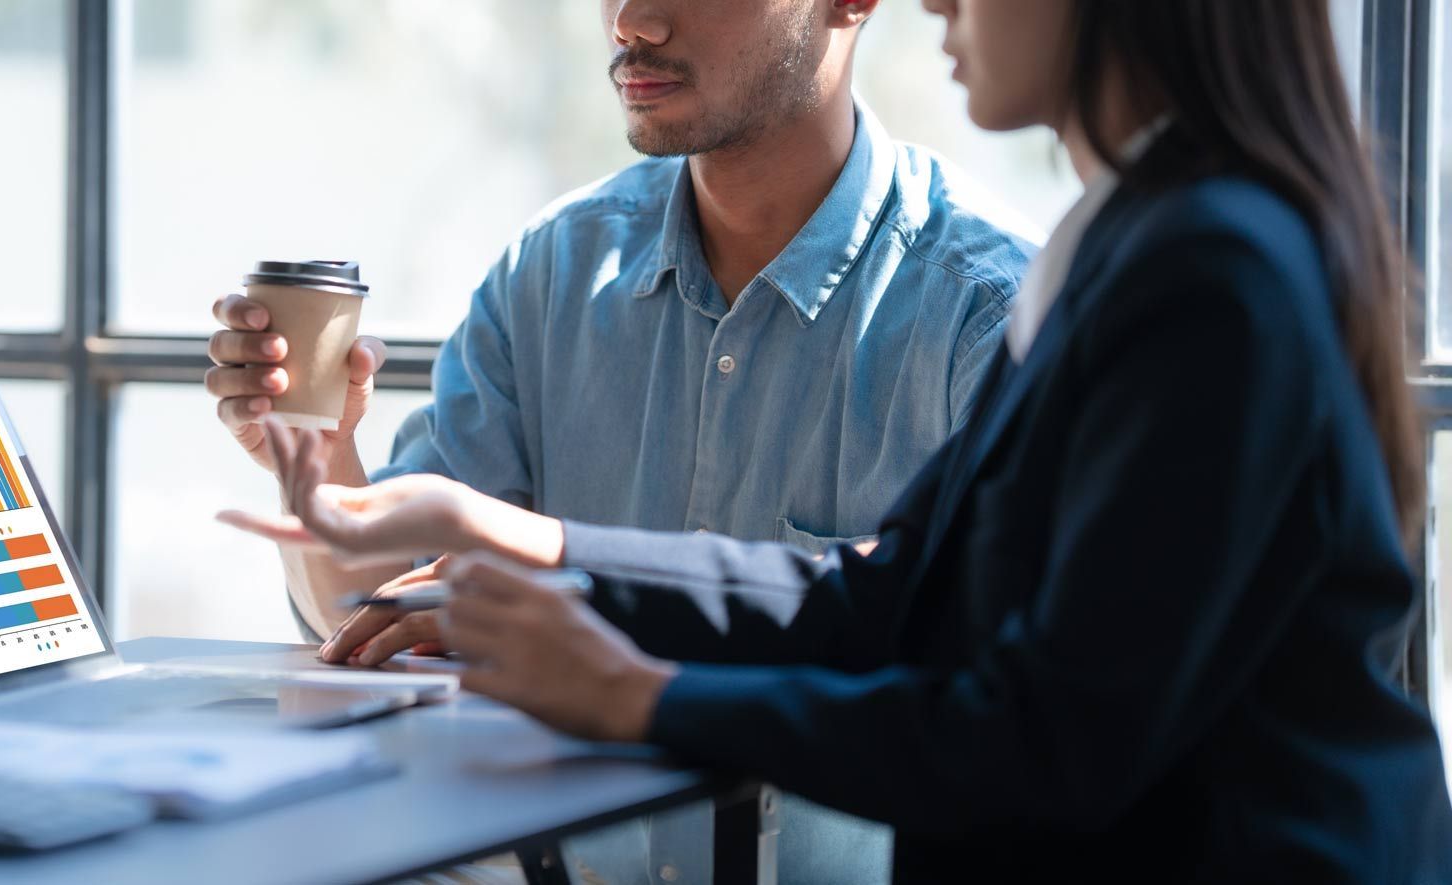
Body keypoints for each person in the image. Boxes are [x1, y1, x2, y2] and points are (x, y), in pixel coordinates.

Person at [221, 0, 1452, 880]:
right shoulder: (1128, 256)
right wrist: (490, 528)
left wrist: (644, 696)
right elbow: (886, 597)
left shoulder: (1200, 273)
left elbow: (1044, 741)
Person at [207, 1, 1034, 881]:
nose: (632, 21)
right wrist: (323, 463)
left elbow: (1002, 724)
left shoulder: (988, 317)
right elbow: (386, 620)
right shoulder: (554, 271)